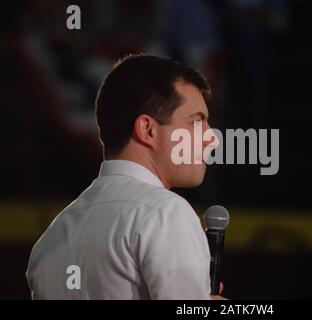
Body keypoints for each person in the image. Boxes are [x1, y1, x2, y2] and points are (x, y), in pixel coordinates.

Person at [26, 54, 223, 300]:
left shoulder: (51, 238)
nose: (211, 138)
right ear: (147, 130)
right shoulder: (165, 213)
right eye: (196, 122)